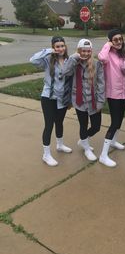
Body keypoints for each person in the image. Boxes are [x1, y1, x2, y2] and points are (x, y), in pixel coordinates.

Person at [30, 36, 72, 167]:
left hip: (62, 98)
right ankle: (46, 154)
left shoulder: (68, 61)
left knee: (59, 122)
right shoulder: (48, 60)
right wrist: (49, 51)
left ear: (65, 47)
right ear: (53, 47)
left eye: (62, 46)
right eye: (57, 46)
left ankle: (60, 145)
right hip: (48, 98)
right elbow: (32, 60)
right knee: (49, 125)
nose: (60, 48)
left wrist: (69, 99)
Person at [62, 39, 105, 162]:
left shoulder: (97, 64)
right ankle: (86, 148)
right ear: (79, 50)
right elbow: (65, 72)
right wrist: (73, 58)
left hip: (94, 100)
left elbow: (101, 83)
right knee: (83, 125)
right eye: (83, 51)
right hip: (79, 100)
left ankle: (83, 140)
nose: (86, 53)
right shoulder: (74, 63)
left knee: (96, 126)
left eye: (88, 51)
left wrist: (101, 101)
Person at [98, 29, 125, 167]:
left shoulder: (122, 55)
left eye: (120, 39)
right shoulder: (108, 54)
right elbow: (101, 58)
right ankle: (103, 155)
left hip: (124, 93)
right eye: (115, 40)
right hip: (113, 94)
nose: (119, 42)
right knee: (115, 122)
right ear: (110, 41)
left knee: (120, 120)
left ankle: (114, 141)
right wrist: (107, 45)